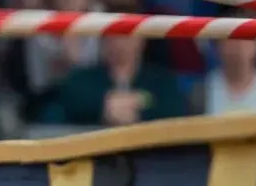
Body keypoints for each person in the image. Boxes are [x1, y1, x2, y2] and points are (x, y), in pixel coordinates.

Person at [41, 31, 187, 126]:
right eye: (111, 36)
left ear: (141, 40)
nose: (117, 43)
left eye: (125, 35)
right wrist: (103, 107)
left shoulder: (161, 80)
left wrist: (138, 114)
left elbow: (177, 113)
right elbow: (63, 107)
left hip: (149, 161)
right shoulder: (83, 78)